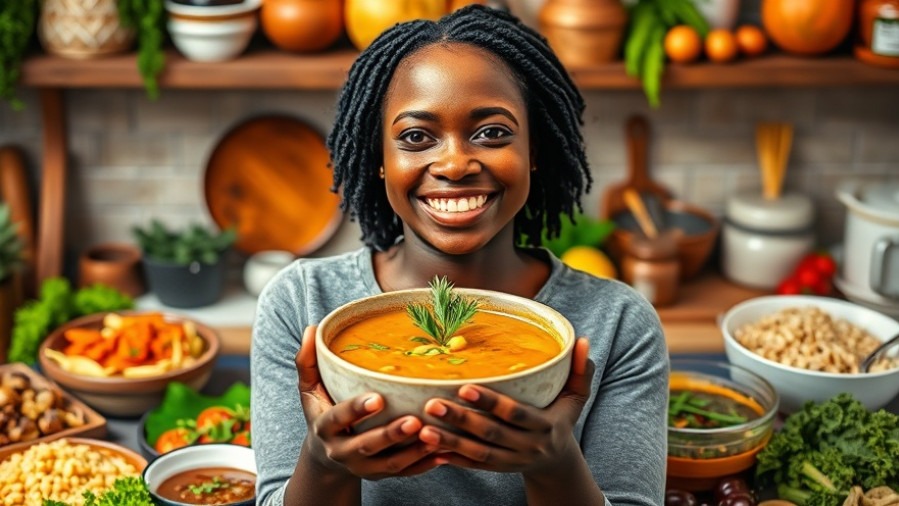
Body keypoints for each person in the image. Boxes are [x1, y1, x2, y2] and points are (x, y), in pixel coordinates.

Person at [251, 5, 668, 505]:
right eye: (415, 137)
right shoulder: (300, 303)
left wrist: (555, 466)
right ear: (380, 160)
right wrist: (325, 463)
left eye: (492, 132)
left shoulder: (619, 323)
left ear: (534, 149)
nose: (453, 163)